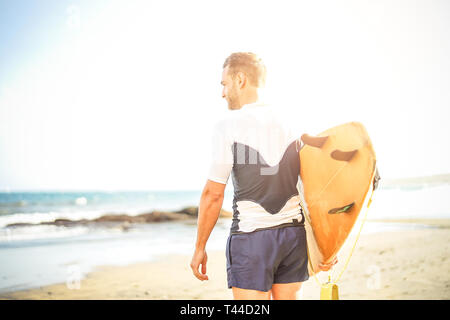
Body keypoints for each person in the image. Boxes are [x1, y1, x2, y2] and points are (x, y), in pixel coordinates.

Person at [190, 52, 335, 300]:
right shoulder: (293, 120)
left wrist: (199, 248)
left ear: (241, 79)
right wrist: (327, 243)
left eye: (224, 84)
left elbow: (213, 194)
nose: (222, 93)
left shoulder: (227, 126)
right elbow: (315, 187)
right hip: (293, 236)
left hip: (251, 239)